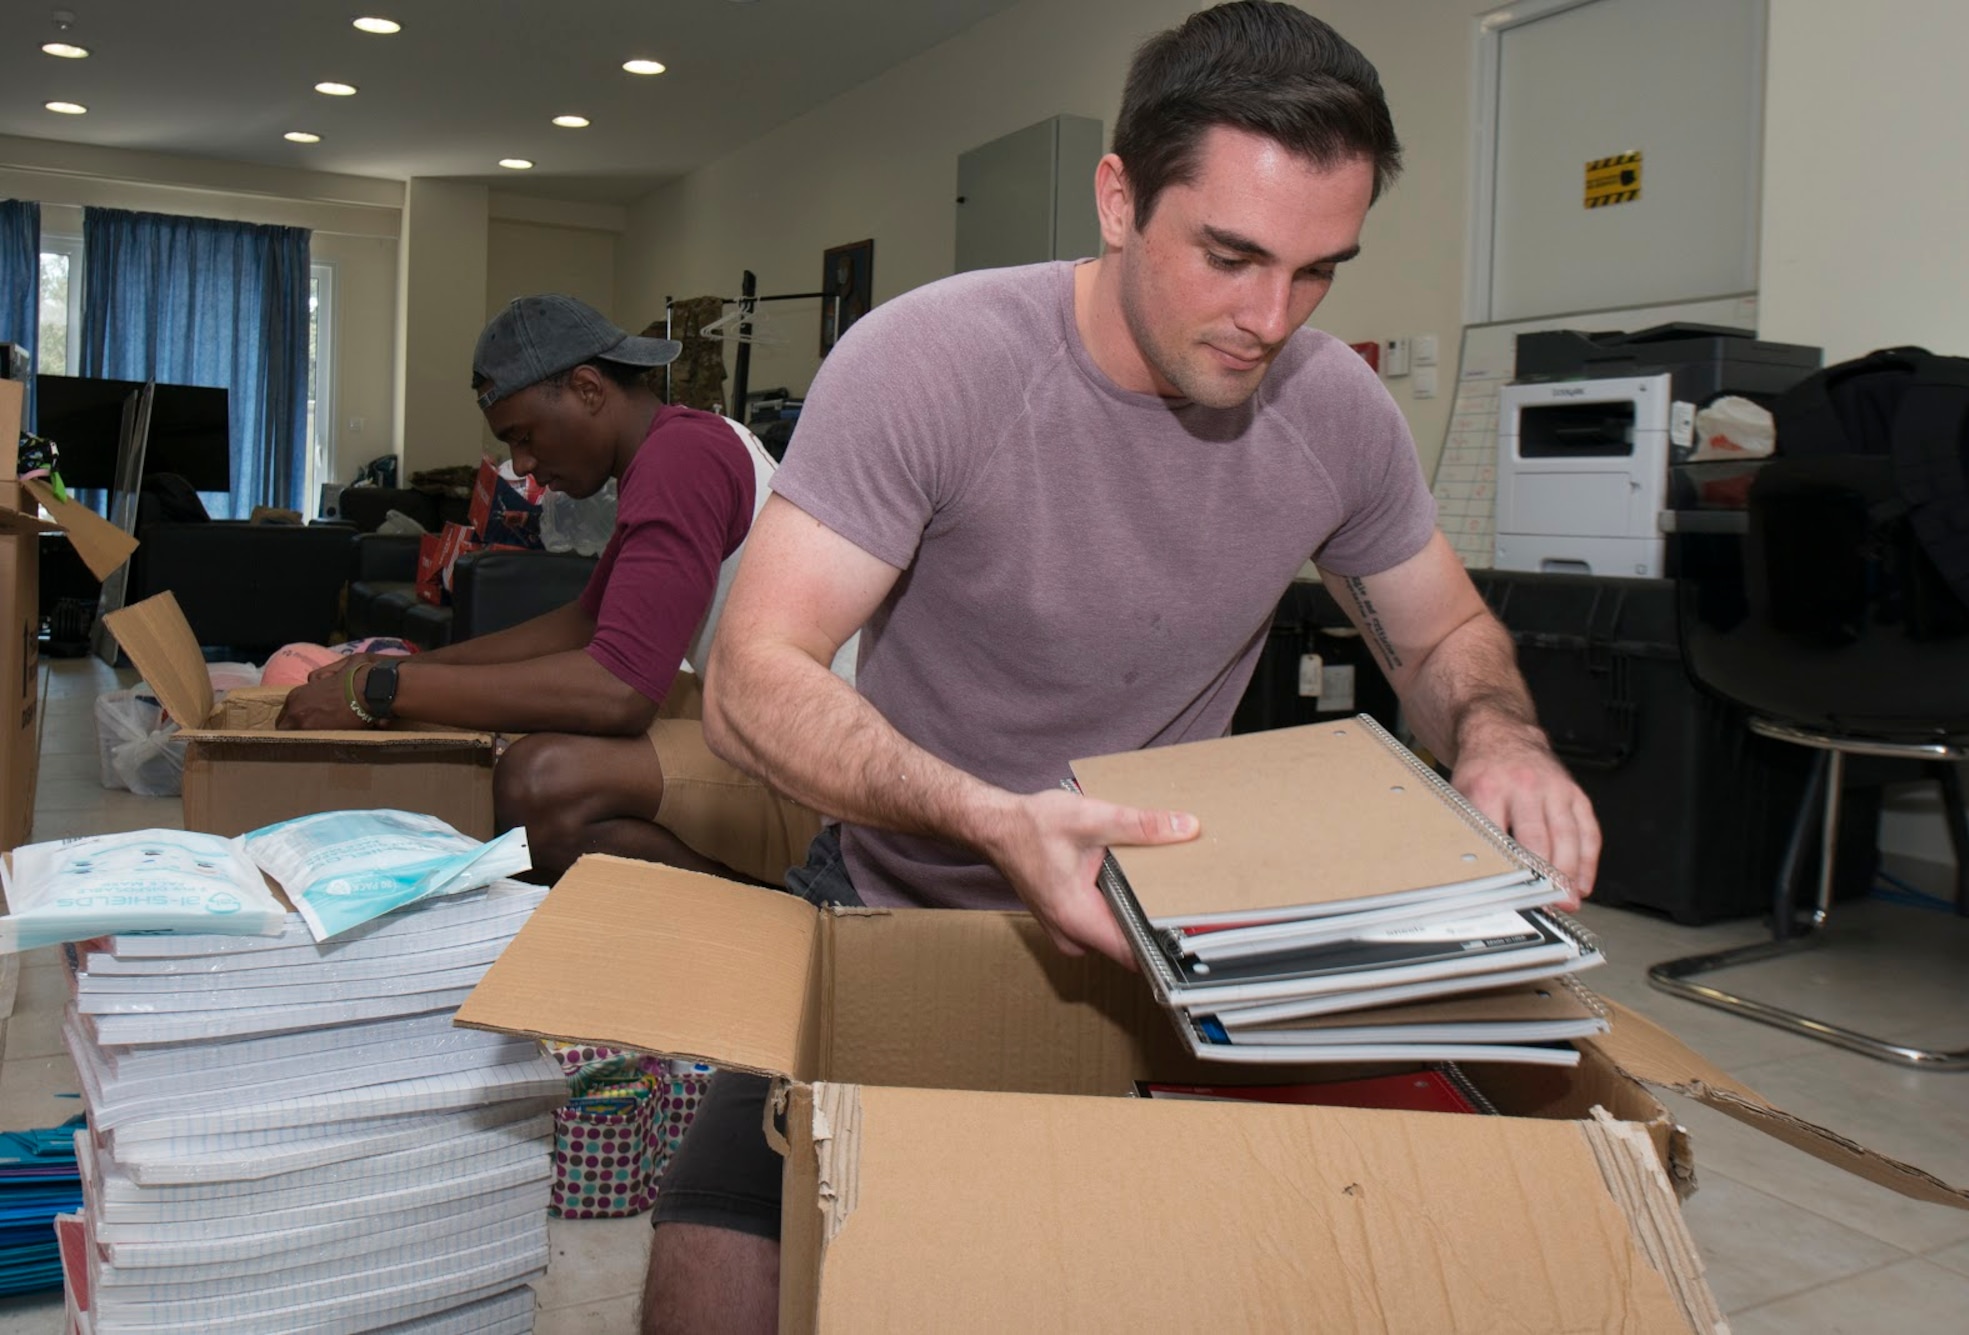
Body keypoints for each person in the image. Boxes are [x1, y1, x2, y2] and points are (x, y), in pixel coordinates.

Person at [644, 4, 1601, 1331]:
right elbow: (755, 677)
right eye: (1230, 255)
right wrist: (993, 814)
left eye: (1320, 270)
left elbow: (1440, 633)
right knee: (709, 1287)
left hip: (1163, 924)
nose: (1270, 317)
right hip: (894, 887)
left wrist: (1502, 734)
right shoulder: (934, 362)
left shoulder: (1333, 413)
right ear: (1116, 196)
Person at [277, 294, 829, 887]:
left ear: (590, 389)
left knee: (539, 782)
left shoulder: (681, 458)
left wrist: (384, 690)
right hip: (772, 726)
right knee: (531, 721)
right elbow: (581, 623)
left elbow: (619, 691)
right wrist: (399, 667)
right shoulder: (672, 447)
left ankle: (787, 921)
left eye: (526, 436)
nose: (524, 465)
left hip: (822, 784)